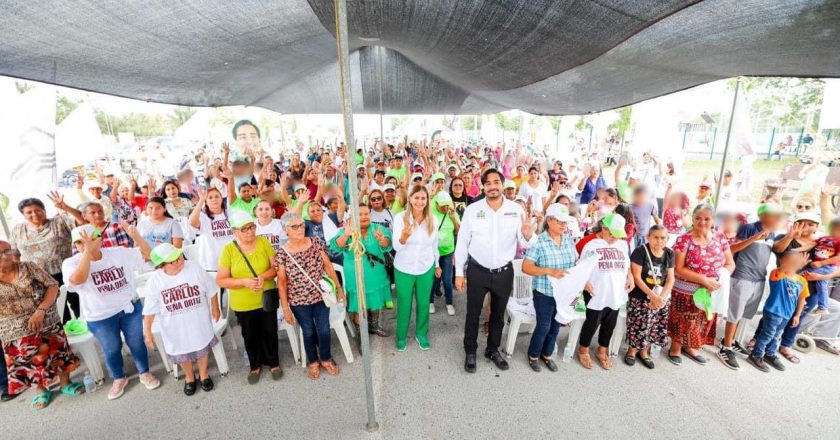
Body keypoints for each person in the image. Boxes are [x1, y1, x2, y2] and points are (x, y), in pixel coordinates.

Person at [62, 224, 159, 400]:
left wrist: (136, 236)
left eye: (90, 240)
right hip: (100, 317)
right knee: (111, 348)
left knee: (137, 342)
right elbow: (77, 280)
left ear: (100, 239)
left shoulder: (119, 253)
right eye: (79, 243)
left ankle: (144, 372)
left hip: (129, 308)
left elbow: (149, 255)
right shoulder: (71, 263)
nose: (85, 245)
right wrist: (87, 253)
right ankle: (119, 378)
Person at [455, 168, 535, 373]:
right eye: (488, 183)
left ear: (502, 184)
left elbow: (525, 240)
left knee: (498, 315)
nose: (492, 186)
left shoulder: (515, 210)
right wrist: (459, 273)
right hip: (477, 270)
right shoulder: (473, 209)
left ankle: (492, 349)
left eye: (496, 182)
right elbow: (462, 242)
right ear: (483, 186)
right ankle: (470, 351)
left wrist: (528, 235)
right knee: (473, 314)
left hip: (504, 272)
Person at [0, 240, 84, 408]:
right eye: (0, 253)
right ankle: (40, 390)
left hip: (46, 319)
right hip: (13, 331)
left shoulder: (28, 267)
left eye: (7, 251)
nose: (6, 256)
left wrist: (41, 310)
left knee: (57, 352)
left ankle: (65, 383)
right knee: (27, 361)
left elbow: (53, 286)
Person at [142, 243, 220, 395]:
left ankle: (204, 374)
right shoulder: (155, 281)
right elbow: (149, 310)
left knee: (201, 346)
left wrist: (215, 307)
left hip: (198, 320)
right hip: (174, 326)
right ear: (161, 266)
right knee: (181, 351)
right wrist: (148, 332)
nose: (179, 261)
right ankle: (190, 377)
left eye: (179, 257)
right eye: (173, 261)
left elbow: (211, 288)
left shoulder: (194, 267)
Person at [276, 213, 345, 380]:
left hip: (320, 296)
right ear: (286, 231)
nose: (300, 229)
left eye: (301, 225)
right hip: (298, 301)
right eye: (295, 227)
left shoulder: (315, 242)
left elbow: (328, 266)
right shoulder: (282, 253)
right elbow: (282, 282)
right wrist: (285, 308)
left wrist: (339, 289)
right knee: (307, 331)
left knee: (323, 330)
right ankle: (313, 362)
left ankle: (326, 358)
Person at [216, 211, 281, 384]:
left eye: (252, 227)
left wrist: (262, 277)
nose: (250, 231)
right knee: (250, 334)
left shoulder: (264, 242)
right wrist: (244, 281)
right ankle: (255, 365)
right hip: (243, 302)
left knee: (270, 330)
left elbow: (275, 269)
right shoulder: (228, 249)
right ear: (235, 232)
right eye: (245, 229)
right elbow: (221, 280)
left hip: (266, 295)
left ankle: (274, 362)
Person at [718, 203, 784, 370]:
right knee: (734, 313)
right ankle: (725, 348)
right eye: (773, 215)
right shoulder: (748, 228)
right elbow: (731, 248)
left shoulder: (772, 234)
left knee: (744, 313)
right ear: (762, 215)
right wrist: (754, 238)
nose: (777, 218)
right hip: (742, 276)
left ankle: (731, 341)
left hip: (759, 279)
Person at [668, 204, 735, 366]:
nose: (702, 222)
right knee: (682, 319)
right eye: (698, 218)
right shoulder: (684, 240)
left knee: (700, 321)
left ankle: (690, 347)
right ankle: (675, 348)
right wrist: (703, 279)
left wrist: (720, 279)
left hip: (711, 290)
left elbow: (730, 264)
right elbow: (679, 268)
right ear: (692, 218)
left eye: (707, 218)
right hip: (686, 290)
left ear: (713, 220)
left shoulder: (720, 238)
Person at [521, 204, 577, 372]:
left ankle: (547, 355)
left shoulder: (568, 239)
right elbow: (526, 267)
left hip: (563, 293)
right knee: (544, 325)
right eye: (559, 221)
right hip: (544, 292)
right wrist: (549, 271)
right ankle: (533, 355)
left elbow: (574, 262)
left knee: (556, 325)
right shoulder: (540, 241)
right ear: (550, 221)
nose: (563, 225)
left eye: (565, 222)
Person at [11, 196, 83, 322]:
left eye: (38, 210)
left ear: (44, 210)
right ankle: (65, 337)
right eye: (29, 212)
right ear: (23, 215)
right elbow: (15, 255)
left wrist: (66, 207)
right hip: (39, 279)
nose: (34, 214)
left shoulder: (60, 222)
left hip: (66, 272)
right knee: (56, 311)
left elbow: (82, 221)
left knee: (80, 306)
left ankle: (90, 336)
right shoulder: (18, 230)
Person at [577, 214, 633, 370]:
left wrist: (630, 276)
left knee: (610, 323)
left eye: (617, 235)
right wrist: (585, 281)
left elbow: (627, 265)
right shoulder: (592, 244)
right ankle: (584, 349)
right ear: (603, 228)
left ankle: (602, 350)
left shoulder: (622, 245)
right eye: (611, 234)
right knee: (592, 322)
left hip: (615, 292)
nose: (614, 238)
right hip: (596, 291)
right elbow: (582, 266)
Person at [330, 204, 392, 336]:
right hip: (355, 276)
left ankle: (374, 326)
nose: (364, 216)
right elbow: (336, 246)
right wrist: (346, 235)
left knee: (375, 301)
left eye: (366, 213)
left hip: (376, 275)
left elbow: (388, 243)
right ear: (353, 216)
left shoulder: (377, 228)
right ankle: (361, 335)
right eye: (360, 214)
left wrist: (382, 241)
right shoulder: (347, 230)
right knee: (359, 306)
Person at [392, 186, 441, 352]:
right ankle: (401, 336)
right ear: (410, 199)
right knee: (404, 304)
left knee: (423, 303)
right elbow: (396, 247)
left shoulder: (432, 219)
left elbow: (435, 245)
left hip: (425, 268)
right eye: (416, 197)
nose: (420, 201)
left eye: (423, 198)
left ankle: (421, 334)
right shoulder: (400, 218)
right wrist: (403, 238)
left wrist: (437, 264)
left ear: (427, 200)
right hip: (403, 268)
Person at [746, 251, 809, 372]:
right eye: (787, 260)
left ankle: (769, 354)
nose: (790, 263)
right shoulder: (777, 274)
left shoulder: (802, 281)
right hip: (773, 312)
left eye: (793, 261)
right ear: (782, 261)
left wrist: (797, 315)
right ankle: (756, 354)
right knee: (767, 334)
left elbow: (802, 298)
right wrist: (793, 264)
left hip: (787, 314)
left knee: (776, 336)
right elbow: (783, 269)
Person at [625, 225, 674, 369]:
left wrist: (661, 298)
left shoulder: (669, 254)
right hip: (641, 295)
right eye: (656, 237)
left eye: (662, 238)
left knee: (654, 325)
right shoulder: (640, 252)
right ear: (649, 237)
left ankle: (644, 351)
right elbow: (637, 277)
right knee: (637, 324)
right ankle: (632, 350)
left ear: (667, 239)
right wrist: (653, 296)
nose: (659, 241)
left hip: (660, 297)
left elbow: (670, 278)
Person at [189, 187, 234, 271]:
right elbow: (192, 222)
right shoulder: (203, 216)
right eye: (210, 197)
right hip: (212, 263)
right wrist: (201, 200)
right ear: (206, 201)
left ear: (221, 199)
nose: (214, 199)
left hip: (232, 260)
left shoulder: (230, 213)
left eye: (217, 196)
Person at [430, 192, 460, 316]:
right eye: (442, 205)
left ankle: (449, 303)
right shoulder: (431, 214)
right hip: (433, 253)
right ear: (436, 204)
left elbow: (459, 231)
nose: (445, 208)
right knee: (434, 280)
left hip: (447, 252)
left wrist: (453, 218)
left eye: (447, 205)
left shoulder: (452, 213)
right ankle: (430, 302)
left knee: (447, 279)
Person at [805, 218, 840, 316]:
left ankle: (821, 307)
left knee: (804, 274)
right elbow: (812, 243)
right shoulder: (825, 238)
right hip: (824, 267)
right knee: (821, 285)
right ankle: (822, 307)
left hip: (827, 267)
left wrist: (821, 263)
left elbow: (838, 258)